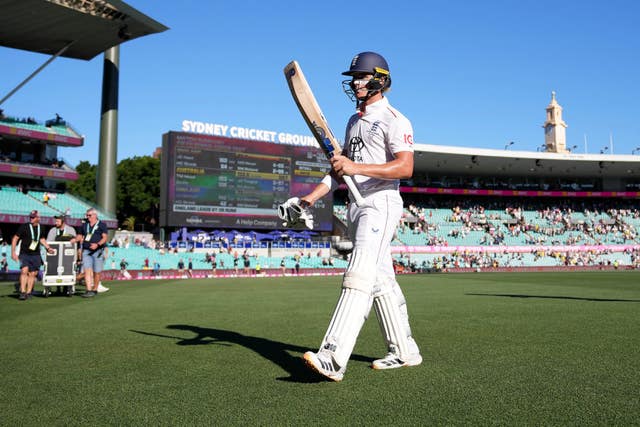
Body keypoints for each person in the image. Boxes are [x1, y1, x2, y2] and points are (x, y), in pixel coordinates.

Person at [298, 52, 422, 381]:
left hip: (380, 202)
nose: (355, 82)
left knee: (359, 274)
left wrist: (356, 167)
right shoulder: (353, 121)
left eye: (362, 76)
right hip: (356, 204)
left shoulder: (395, 119)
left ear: (380, 79)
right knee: (381, 280)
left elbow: (405, 167)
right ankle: (405, 351)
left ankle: (333, 357)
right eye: (354, 77)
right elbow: (339, 170)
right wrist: (310, 199)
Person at [11, 210, 54, 300]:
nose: (31, 218)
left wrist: (48, 248)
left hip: (36, 254)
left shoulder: (41, 227)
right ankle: (22, 292)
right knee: (24, 271)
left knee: (33, 274)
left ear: (38, 218)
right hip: (24, 253)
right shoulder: (24, 226)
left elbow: (41, 239)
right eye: (30, 217)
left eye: (33, 217)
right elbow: (15, 238)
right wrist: (13, 252)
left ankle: (29, 292)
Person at [77, 208, 108, 298]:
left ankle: (95, 289)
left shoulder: (102, 225)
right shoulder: (84, 225)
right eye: (86, 215)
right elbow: (80, 236)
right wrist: (75, 239)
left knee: (97, 272)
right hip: (86, 251)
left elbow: (105, 238)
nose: (87, 217)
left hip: (97, 251)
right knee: (87, 270)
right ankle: (88, 290)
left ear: (95, 215)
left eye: (89, 215)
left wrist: (97, 245)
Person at [46, 214, 78, 295]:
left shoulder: (71, 229)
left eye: (57, 221)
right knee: (54, 268)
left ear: (63, 222)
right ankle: (57, 288)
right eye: (55, 221)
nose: (56, 222)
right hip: (55, 255)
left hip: (68, 256)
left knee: (68, 269)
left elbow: (74, 241)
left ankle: (67, 287)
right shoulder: (53, 230)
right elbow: (49, 242)